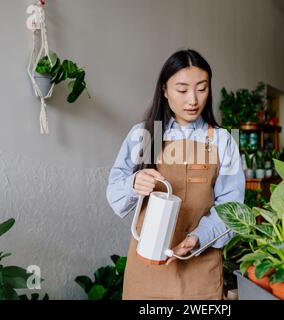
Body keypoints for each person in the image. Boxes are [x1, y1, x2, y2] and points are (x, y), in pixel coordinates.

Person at [106, 49, 245, 300]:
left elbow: (232, 207)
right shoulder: (144, 136)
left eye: (202, 88)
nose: (193, 99)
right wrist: (133, 183)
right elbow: (115, 195)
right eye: (182, 90)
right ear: (165, 89)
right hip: (148, 264)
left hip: (201, 264)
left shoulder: (223, 141)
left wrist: (198, 238)